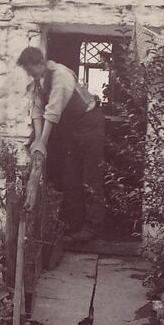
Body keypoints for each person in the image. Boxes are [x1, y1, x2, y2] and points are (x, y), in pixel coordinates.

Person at [17, 45, 106, 240]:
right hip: (73, 127)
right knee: (71, 174)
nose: (30, 75)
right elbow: (38, 110)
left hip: (90, 124)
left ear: (41, 63)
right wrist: (39, 141)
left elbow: (53, 111)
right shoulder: (40, 81)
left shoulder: (61, 76)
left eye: (31, 70)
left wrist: (42, 143)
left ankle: (94, 229)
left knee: (90, 176)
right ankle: (75, 226)